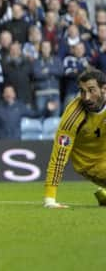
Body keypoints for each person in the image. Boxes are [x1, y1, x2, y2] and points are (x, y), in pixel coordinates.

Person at [44, 69, 106, 209]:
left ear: (104, 89)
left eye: (91, 90)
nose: (87, 97)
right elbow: (59, 156)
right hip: (90, 163)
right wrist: (50, 199)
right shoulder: (73, 116)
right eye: (82, 91)